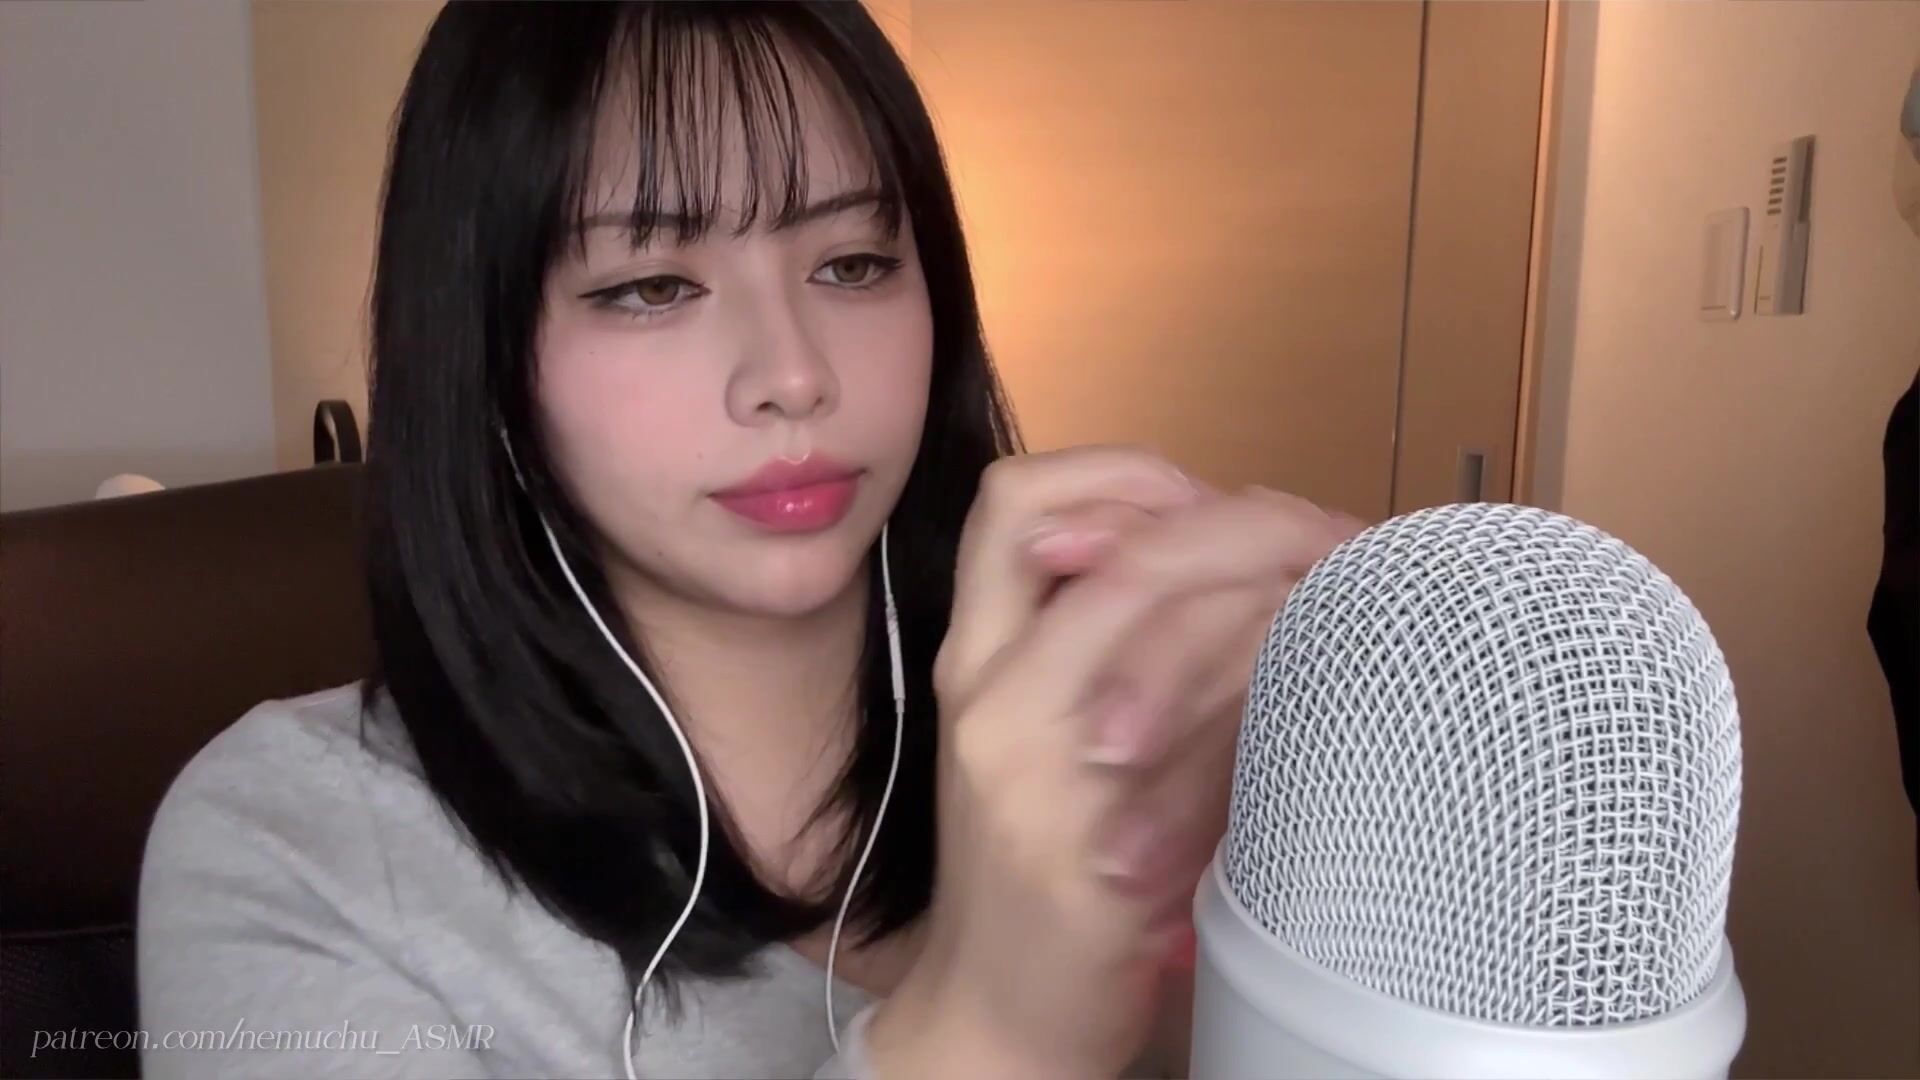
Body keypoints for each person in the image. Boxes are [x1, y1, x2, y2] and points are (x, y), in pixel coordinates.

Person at [136, 5, 1356, 1078]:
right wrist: (998, 1029)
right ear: (486, 357)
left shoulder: (1141, 733)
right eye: (652, 286)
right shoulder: (298, 841)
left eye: (854, 263)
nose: (792, 374)